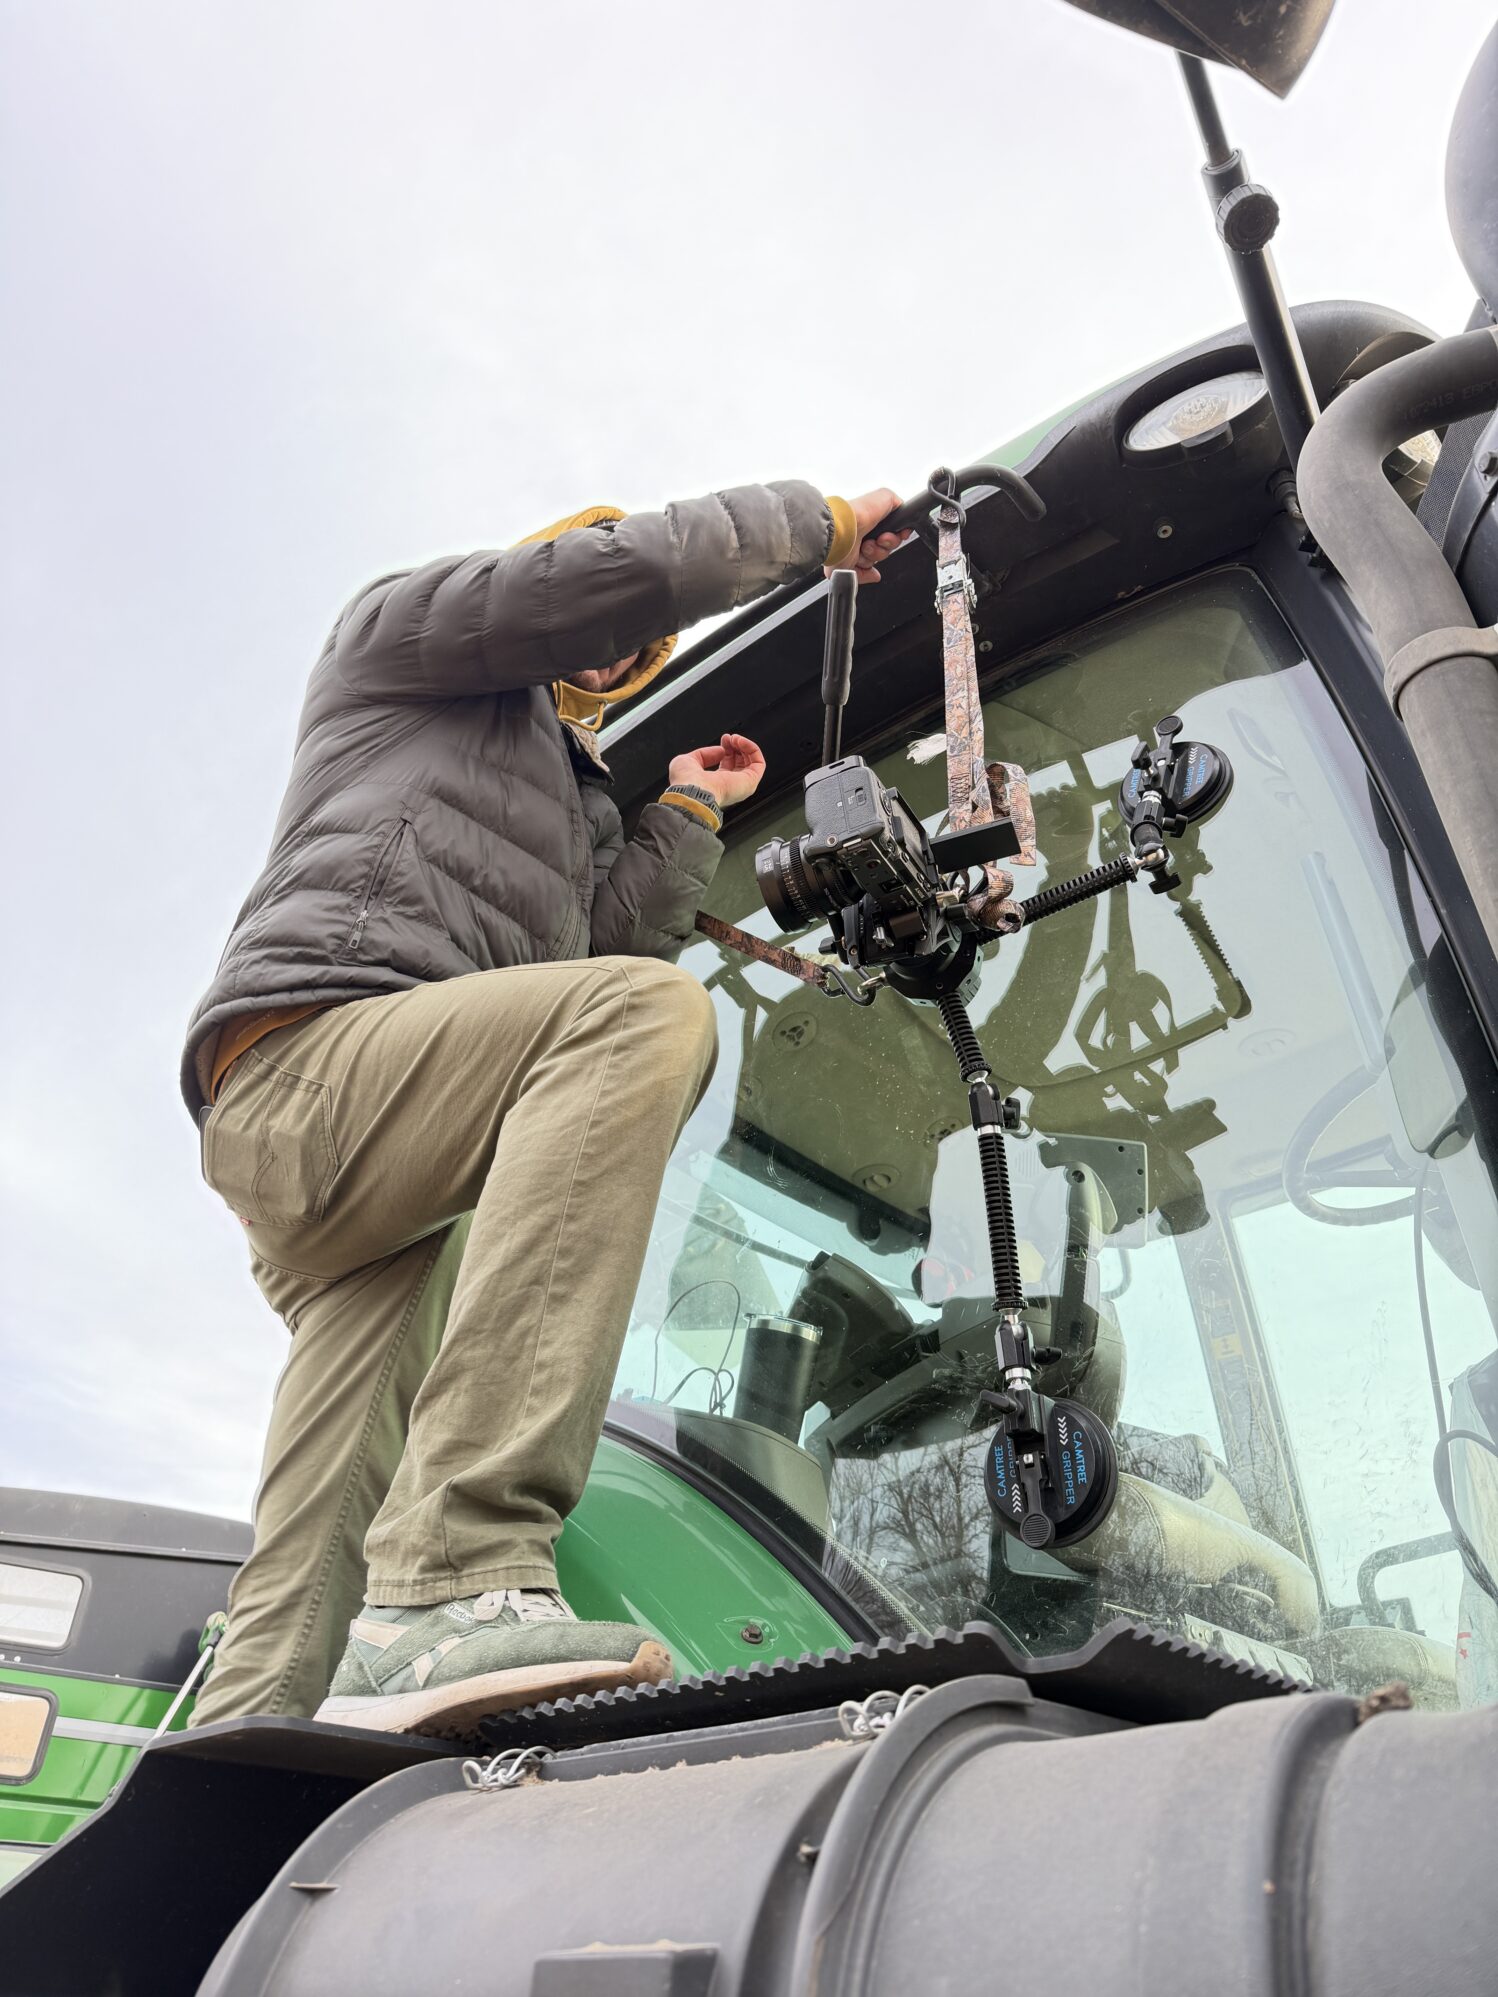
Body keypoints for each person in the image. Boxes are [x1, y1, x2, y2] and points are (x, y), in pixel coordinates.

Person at [181, 478, 906, 1735]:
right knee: (640, 1018)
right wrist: (816, 526)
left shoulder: (572, 806)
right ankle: (458, 1571)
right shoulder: (404, 639)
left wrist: (683, 812)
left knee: (314, 1559)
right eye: (613, 607)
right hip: (314, 1064)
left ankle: (232, 1791)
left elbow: (598, 946)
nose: (624, 645)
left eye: (642, 651)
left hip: (406, 1162)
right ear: (552, 573)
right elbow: (609, 580)